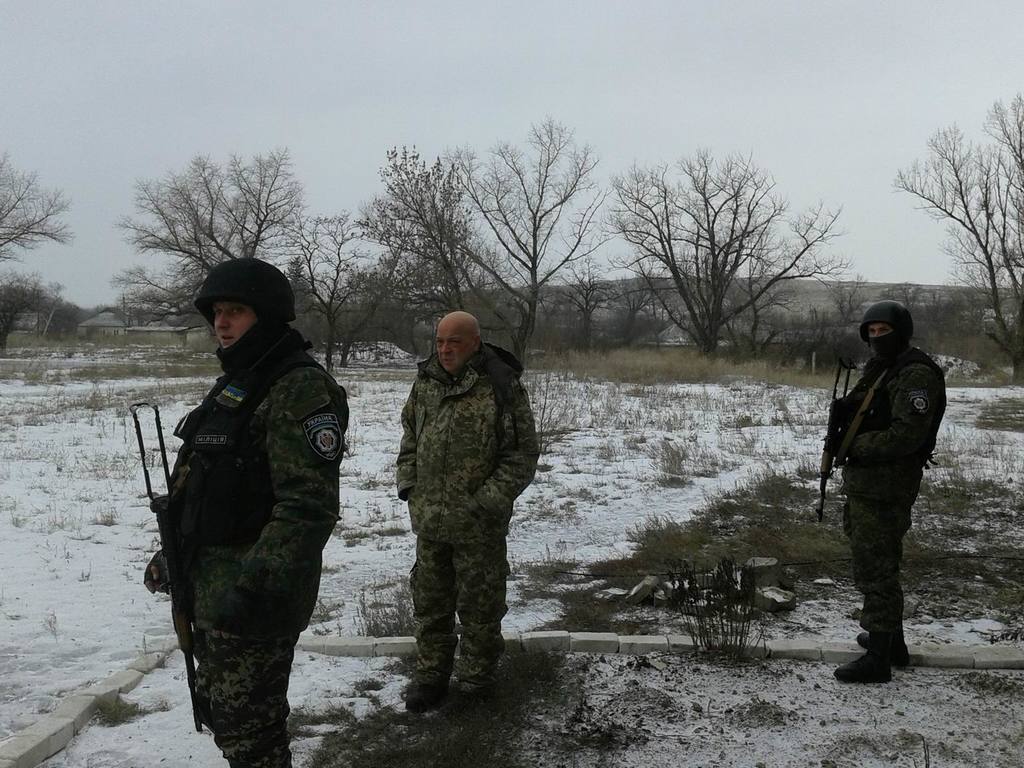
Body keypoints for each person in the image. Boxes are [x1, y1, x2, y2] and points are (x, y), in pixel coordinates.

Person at [144, 258, 347, 767]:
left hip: (254, 600)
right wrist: (174, 553)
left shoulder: (297, 387)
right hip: (208, 587)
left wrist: (253, 585)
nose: (222, 322)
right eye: (217, 311)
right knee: (228, 724)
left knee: (252, 737)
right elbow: (205, 481)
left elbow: (307, 506)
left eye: (236, 311)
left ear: (268, 316)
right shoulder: (238, 383)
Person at [396, 311, 539, 712]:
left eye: (453, 342)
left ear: (474, 342)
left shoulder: (500, 387)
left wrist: (487, 501)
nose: (444, 349)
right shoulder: (425, 383)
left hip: (478, 525)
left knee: (480, 608)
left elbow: (522, 455)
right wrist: (409, 485)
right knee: (430, 604)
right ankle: (431, 677)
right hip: (430, 522)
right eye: (440, 341)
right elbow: (410, 435)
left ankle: (476, 682)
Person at [834, 300, 946, 684]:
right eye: (872, 332)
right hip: (868, 485)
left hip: (887, 486)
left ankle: (878, 658)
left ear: (901, 331)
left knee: (876, 569)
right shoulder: (883, 369)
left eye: (884, 331)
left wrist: (857, 445)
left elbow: (907, 435)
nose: (877, 338)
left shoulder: (915, 375)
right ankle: (892, 642)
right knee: (877, 561)